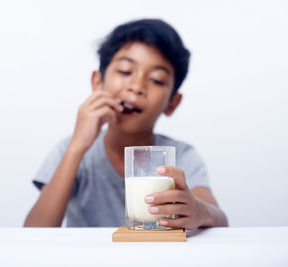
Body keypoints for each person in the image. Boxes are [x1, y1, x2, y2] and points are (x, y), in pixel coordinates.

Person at [24, 18, 228, 229]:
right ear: (97, 82)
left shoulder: (181, 156)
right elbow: (34, 232)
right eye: (124, 71)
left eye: (156, 79)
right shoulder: (71, 150)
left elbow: (219, 220)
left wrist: (197, 210)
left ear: (172, 103)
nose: (136, 86)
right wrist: (76, 147)